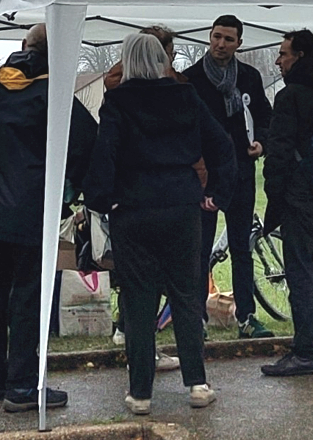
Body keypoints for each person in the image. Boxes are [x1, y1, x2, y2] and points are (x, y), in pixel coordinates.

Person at [84, 33, 236, 414]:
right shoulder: (186, 96)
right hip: (182, 205)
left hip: (133, 207)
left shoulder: (117, 101)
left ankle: (141, 393)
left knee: (138, 300)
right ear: (162, 60)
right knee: (186, 295)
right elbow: (222, 145)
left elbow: (105, 153)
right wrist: (216, 193)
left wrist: (101, 200)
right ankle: (197, 383)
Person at [0, 24, 98, 412]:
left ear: (22, 47)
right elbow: (87, 143)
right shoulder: (53, 95)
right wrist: (69, 189)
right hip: (33, 214)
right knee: (26, 299)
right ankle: (22, 385)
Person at [260, 29, 313, 376]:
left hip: (300, 194)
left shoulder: (291, 95)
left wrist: (273, 193)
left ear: (299, 55)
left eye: (283, 54)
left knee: (300, 273)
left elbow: (279, 151)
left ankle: (302, 351)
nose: (279, 60)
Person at [184, 14, 274, 339]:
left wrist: (261, 142)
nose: (221, 44)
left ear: (239, 43)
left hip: (241, 173)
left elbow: (265, 114)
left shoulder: (249, 77)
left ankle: (247, 317)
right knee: (200, 248)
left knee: (242, 248)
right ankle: (197, 320)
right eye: (217, 37)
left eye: (228, 39)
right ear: (209, 36)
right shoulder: (191, 78)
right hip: (205, 176)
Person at [104, 24, 187, 372]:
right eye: (167, 52)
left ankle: (140, 355)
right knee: (158, 283)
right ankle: (143, 347)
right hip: (161, 200)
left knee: (141, 282)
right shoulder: (147, 90)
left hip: (133, 201)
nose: (170, 59)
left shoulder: (121, 90)